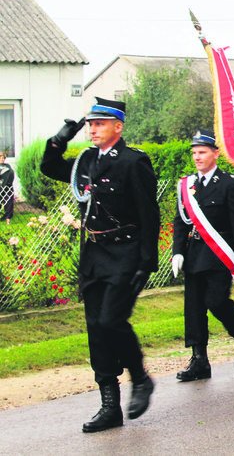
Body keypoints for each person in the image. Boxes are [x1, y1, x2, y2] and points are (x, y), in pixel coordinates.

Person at [40, 98, 160, 433]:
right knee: (97, 329)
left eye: (100, 124)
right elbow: (49, 168)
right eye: (90, 124)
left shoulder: (134, 162)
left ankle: (140, 378)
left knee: (112, 320)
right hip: (94, 255)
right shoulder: (87, 160)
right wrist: (61, 137)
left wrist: (147, 261)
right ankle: (109, 406)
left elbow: (149, 214)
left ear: (117, 127)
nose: (92, 129)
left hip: (125, 253)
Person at [171, 130, 234, 382]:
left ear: (215, 154)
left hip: (221, 253)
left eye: (202, 152)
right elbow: (181, 222)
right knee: (194, 308)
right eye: (194, 153)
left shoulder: (229, 183)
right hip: (194, 253)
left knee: (216, 301)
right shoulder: (187, 185)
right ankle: (199, 359)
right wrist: (177, 251)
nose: (197, 157)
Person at [0, 151, 14, 223]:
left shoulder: (7, 165)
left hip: (7, 188)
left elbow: (10, 174)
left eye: (3, 158)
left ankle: (8, 218)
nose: (2, 159)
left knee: (8, 203)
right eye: (0, 158)